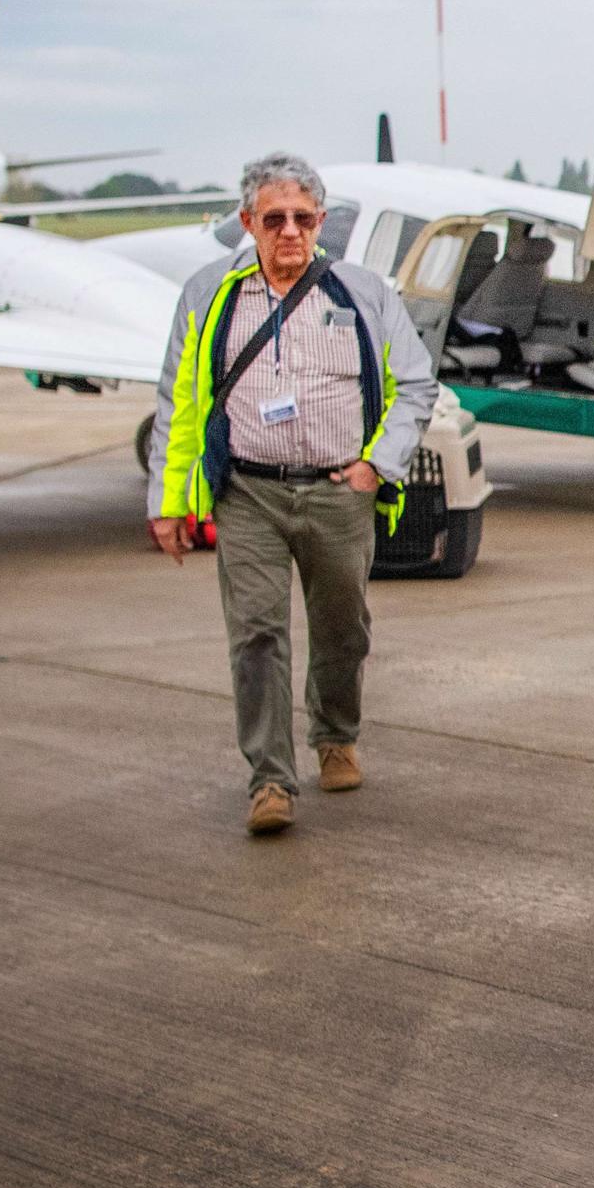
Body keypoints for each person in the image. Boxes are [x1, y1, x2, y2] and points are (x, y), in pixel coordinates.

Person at [149, 152, 437, 836]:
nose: (288, 231)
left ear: (322, 222)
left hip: (341, 493)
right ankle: (269, 779)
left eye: (302, 218)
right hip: (248, 491)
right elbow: (180, 401)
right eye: (273, 218)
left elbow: (416, 385)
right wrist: (167, 501)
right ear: (247, 221)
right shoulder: (207, 294)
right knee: (256, 634)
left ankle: (335, 734)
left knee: (343, 628)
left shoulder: (363, 293)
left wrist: (375, 466)